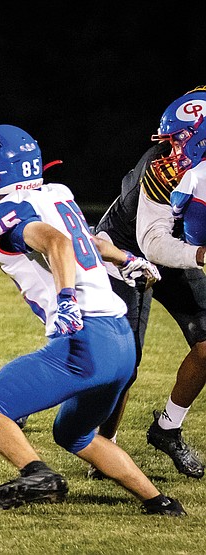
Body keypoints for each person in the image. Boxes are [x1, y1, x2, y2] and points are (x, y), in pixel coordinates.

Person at [0, 124, 182, 515]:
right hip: (120, 341)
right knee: (74, 434)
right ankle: (159, 502)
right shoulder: (55, 194)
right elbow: (88, 240)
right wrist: (126, 260)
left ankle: (36, 472)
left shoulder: (7, 213)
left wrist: (65, 300)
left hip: (86, 338)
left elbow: (57, 242)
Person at [93, 90, 206, 480]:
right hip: (126, 255)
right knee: (123, 364)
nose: (172, 148)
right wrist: (202, 255)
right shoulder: (160, 170)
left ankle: (167, 428)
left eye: (181, 138)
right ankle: (103, 447)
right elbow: (153, 242)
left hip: (181, 251)